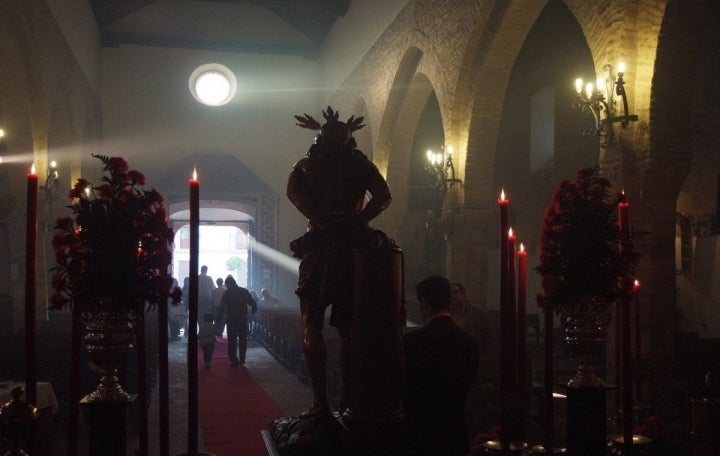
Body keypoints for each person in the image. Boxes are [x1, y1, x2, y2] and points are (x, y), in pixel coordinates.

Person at [286, 106, 392, 415]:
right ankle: (347, 400)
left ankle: (320, 402)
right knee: (350, 329)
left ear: (320, 138)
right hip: (352, 248)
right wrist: (357, 219)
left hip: (319, 245)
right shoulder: (360, 165)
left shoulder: (307, 164)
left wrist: (318, 217)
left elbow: (293, 191)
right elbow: (383, 196)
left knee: (311, 324)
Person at [403, 275, 480, 456]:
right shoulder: (470, 342)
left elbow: (407, 386)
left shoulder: (413, 342)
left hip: (422, 435)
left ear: (424, 303)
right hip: (456, 433)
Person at [450, 281, 495, 435]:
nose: (453, 296)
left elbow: (489, 340)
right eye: (450, 293)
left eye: (456, 292)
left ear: (463, 294)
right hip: (454, 362)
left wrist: (482, 362)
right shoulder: (448, 314)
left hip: (475, 361)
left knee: (474, 396)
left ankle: (476, 426)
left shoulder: (477, 313)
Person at [215, 275, 257, 367]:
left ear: (228, 284)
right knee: (243, 339)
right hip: (242, 318)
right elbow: (252, 303)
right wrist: (254, 310)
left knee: (232, 340)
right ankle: (242, 358)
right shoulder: (244, 291)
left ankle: (233, 360)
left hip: (231, 319)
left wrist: (218, 319)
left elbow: (222, 308)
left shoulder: (227, 293)